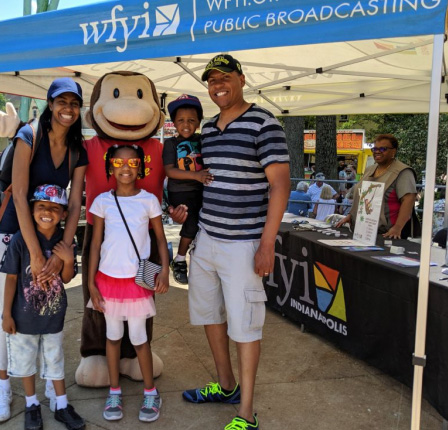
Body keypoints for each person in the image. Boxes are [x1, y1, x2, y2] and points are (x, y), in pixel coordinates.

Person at [181, 54, 290, 430]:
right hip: (207, 239)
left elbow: (280, 185)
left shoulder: (264, 123)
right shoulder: (208, 129)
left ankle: (246, 413)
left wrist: (266, 243)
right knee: (209, 315)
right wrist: (185, 219)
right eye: (211, 80)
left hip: (244, 244)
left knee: (245, 326)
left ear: (241, 79)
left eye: (224, 77)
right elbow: (204, 180)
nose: (217, 85)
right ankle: (226, 385)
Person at [0, 77, 88, 423]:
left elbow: (75, 204)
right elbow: (18, 195)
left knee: (45, 311)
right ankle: (4, 386)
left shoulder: (77, 149)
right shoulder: (29, 136)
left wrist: (64, 247)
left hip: (51, 238)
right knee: (11, 316)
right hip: (14, 236)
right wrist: (34, 252)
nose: (68, 109)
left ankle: (51, 385)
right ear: (49, 104)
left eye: (74, 103)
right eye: (62, 102)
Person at [87, 145, 169, 423]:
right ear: (110, 168)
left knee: (139, 338)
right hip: (107, 280)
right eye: (118, 163)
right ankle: (114, 391)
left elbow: (159, 239)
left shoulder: (148, 201)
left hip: (136, 283)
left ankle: (150, 391)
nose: (125, 167)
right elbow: (95, 244)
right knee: (112, 337)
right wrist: (91, 284)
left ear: (140, 167)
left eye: (132, 162)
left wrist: (166, 270)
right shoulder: (101, 202)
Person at [1, 184, 85, 430]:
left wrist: (68, 260)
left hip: (54, 315)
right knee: (26, 363)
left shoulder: (65, 241)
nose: (47, 212)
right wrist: (6, 314)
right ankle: (31, 404)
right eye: (41, 207)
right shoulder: (20, 240)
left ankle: (61, 404)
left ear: (63, 214)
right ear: (32, 210)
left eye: (53, 208)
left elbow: (68, 278)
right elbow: (11, 278)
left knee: (55, 359)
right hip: (23, 317)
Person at [162, 94, 213, 284]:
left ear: (199, 123)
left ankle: (197, 258)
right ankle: (180, 259)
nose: (186, 124)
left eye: (191, 120)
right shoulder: (170, 143)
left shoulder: (202, 140)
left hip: (201, 190)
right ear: (173, 123)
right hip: (180, 191)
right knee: (191, 223)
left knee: (203, 225)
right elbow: (170, 170)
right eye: (181, 120)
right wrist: (196, 176)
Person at [336, 134, 418, 239]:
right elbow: (362, 196)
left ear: (393, 151)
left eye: (383, 149)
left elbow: (408, 200)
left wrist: (397, 227)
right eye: (375, 149)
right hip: (363, 230)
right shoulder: (369, 169)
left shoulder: (403, 172)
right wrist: (351, 216)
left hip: (387, 234)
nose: (377, 151)